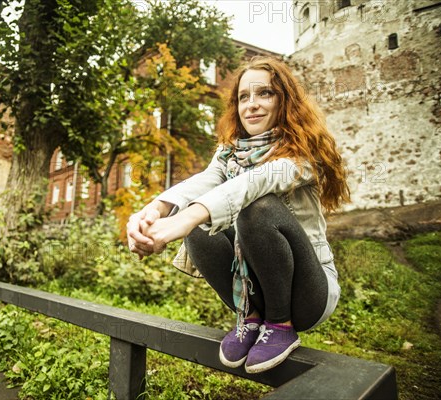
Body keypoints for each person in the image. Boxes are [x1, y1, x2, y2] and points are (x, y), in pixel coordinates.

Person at [126, 56, 350, 374]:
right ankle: (251, 318)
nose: (252, 105)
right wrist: (154, 212)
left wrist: (184, 219)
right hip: (254, 288)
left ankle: (280, 324)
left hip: (310, 293)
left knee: (256, 208)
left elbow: (254, 183)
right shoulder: (230, 152)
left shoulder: (302, 152)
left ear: (284, 100)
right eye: (244, 97)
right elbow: (203, 181)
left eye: (265, 94)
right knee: (200, 227)